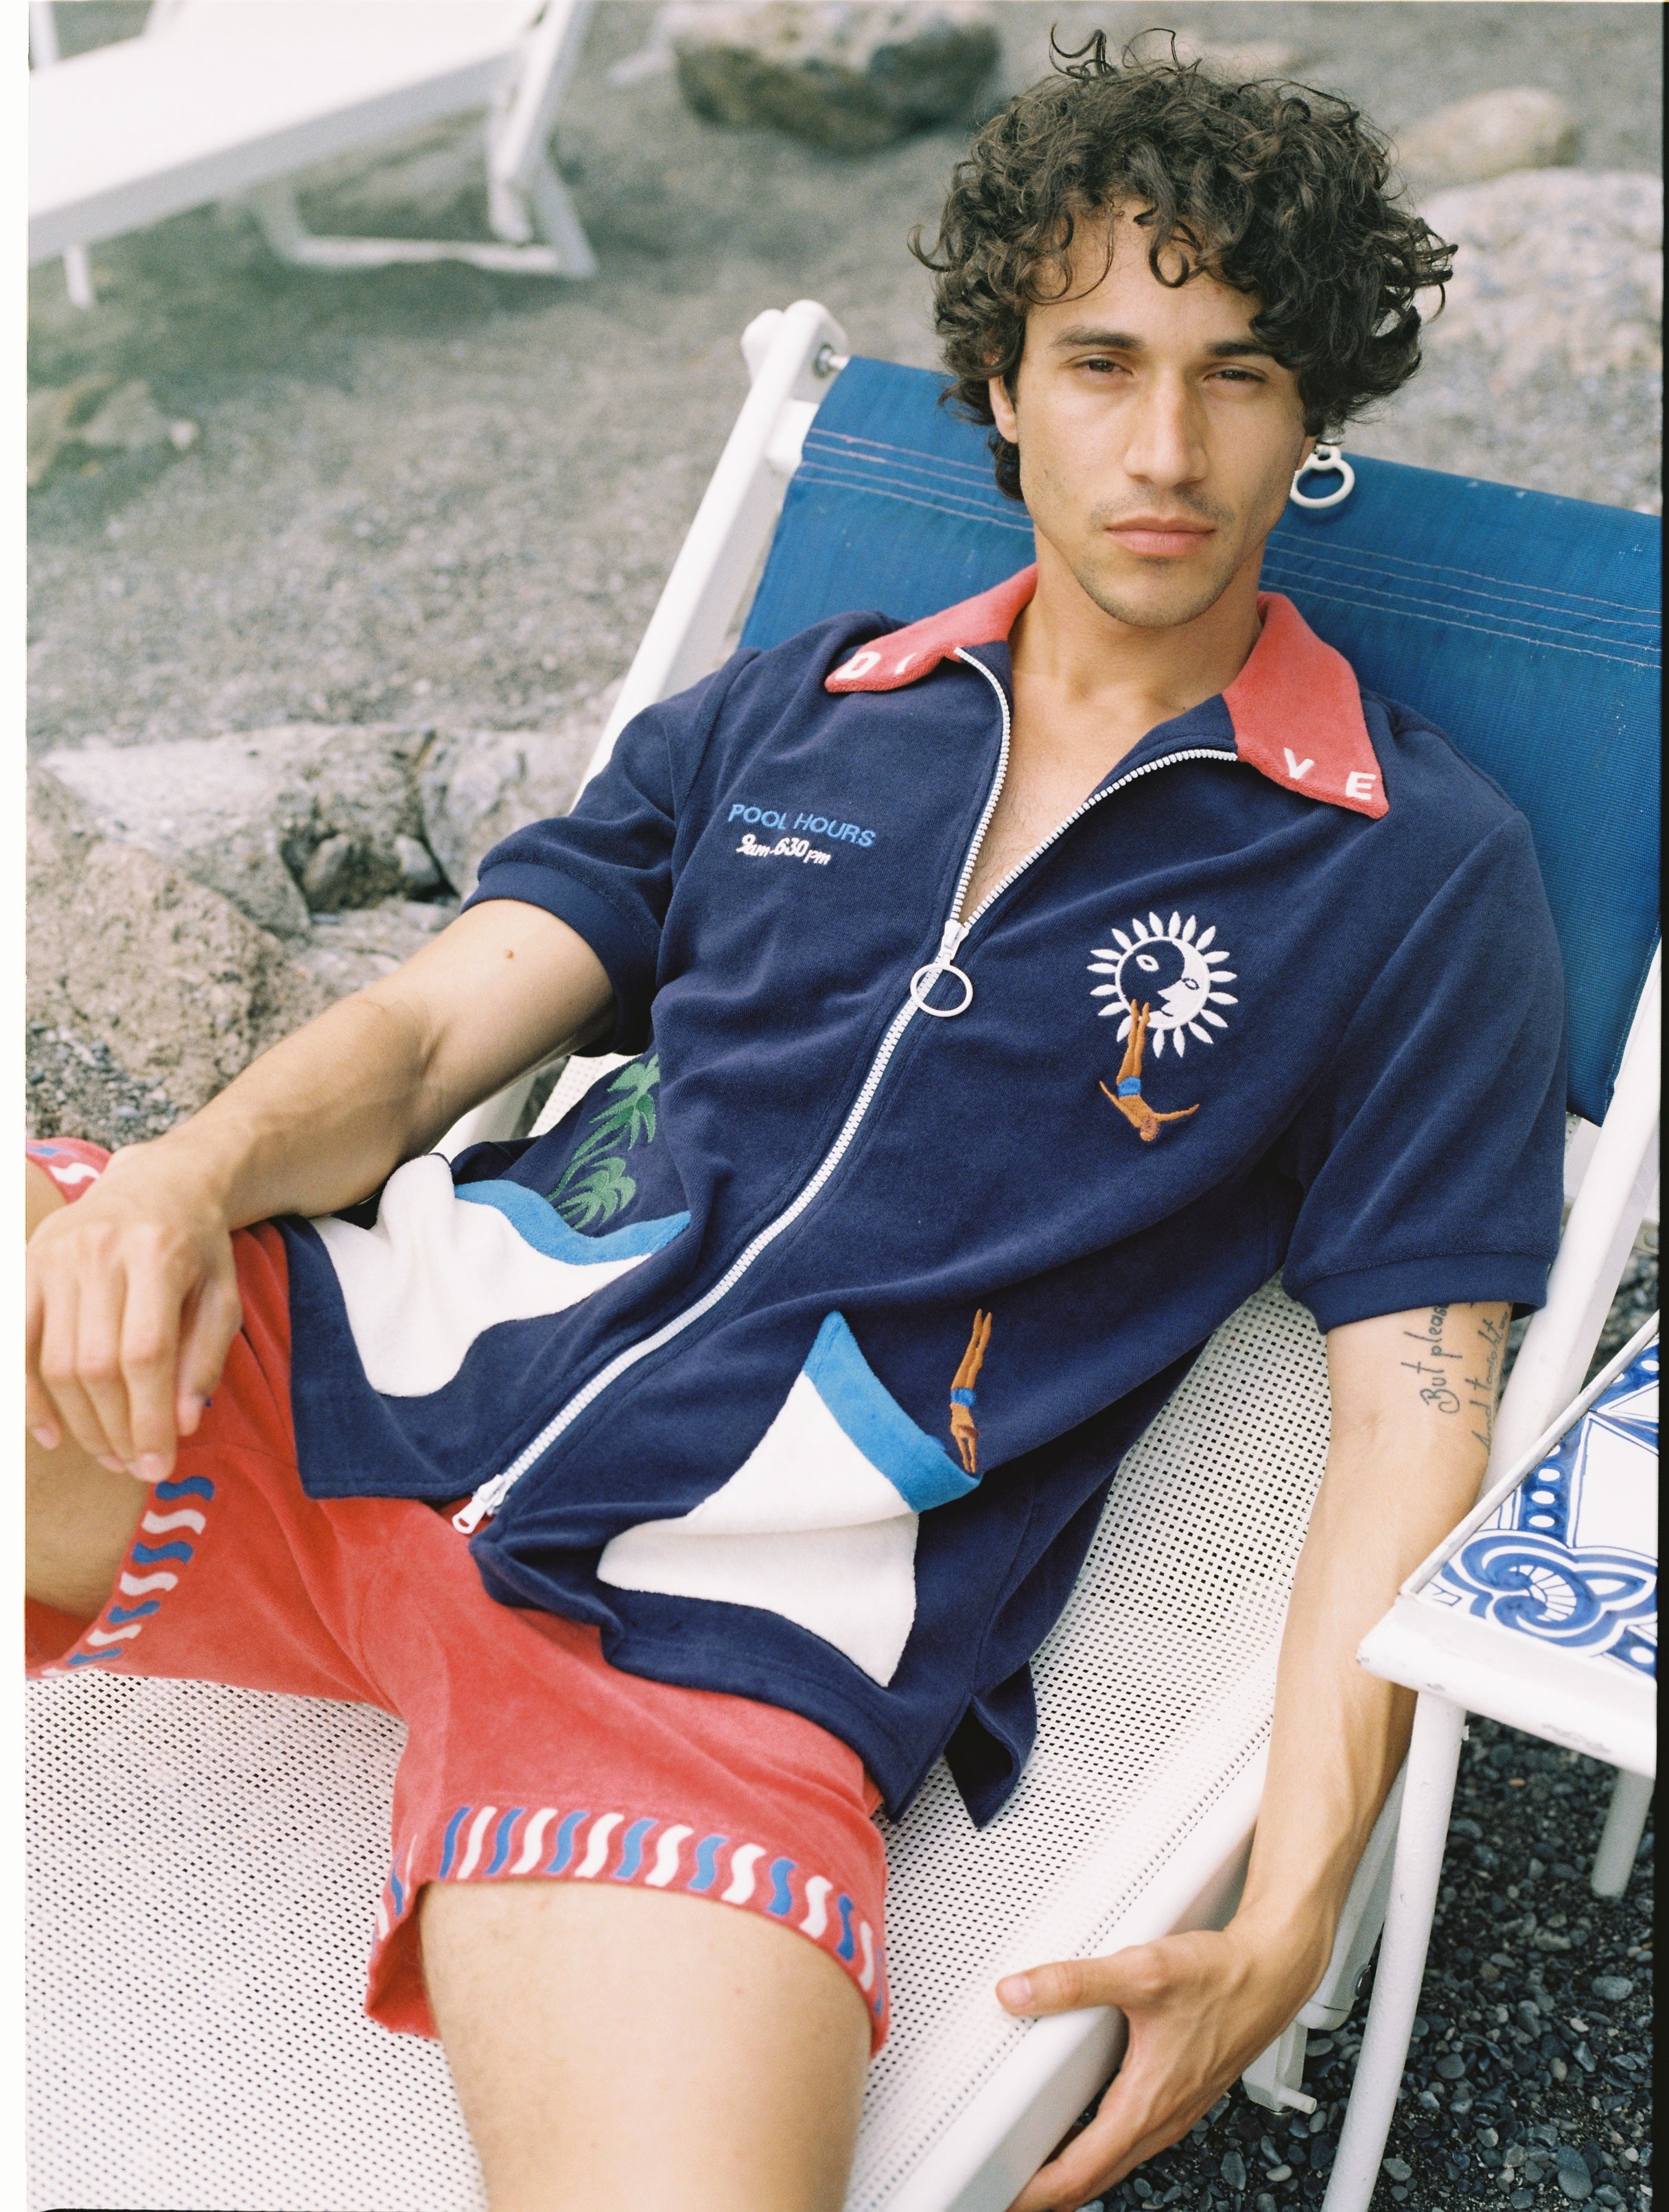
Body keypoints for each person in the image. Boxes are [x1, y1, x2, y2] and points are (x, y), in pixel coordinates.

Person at [25, 38, 1565, 2212]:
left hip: (726, 1642)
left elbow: (1418, 1407)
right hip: (359, 1374)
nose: (1161, 445)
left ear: (1313, 414)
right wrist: (175, 1181)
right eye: (1100, 361)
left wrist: (1298, 1900)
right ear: (1002, 390)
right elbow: (419, 1040)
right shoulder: (801, 704)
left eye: (1235, 374)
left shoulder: (1407, 869)